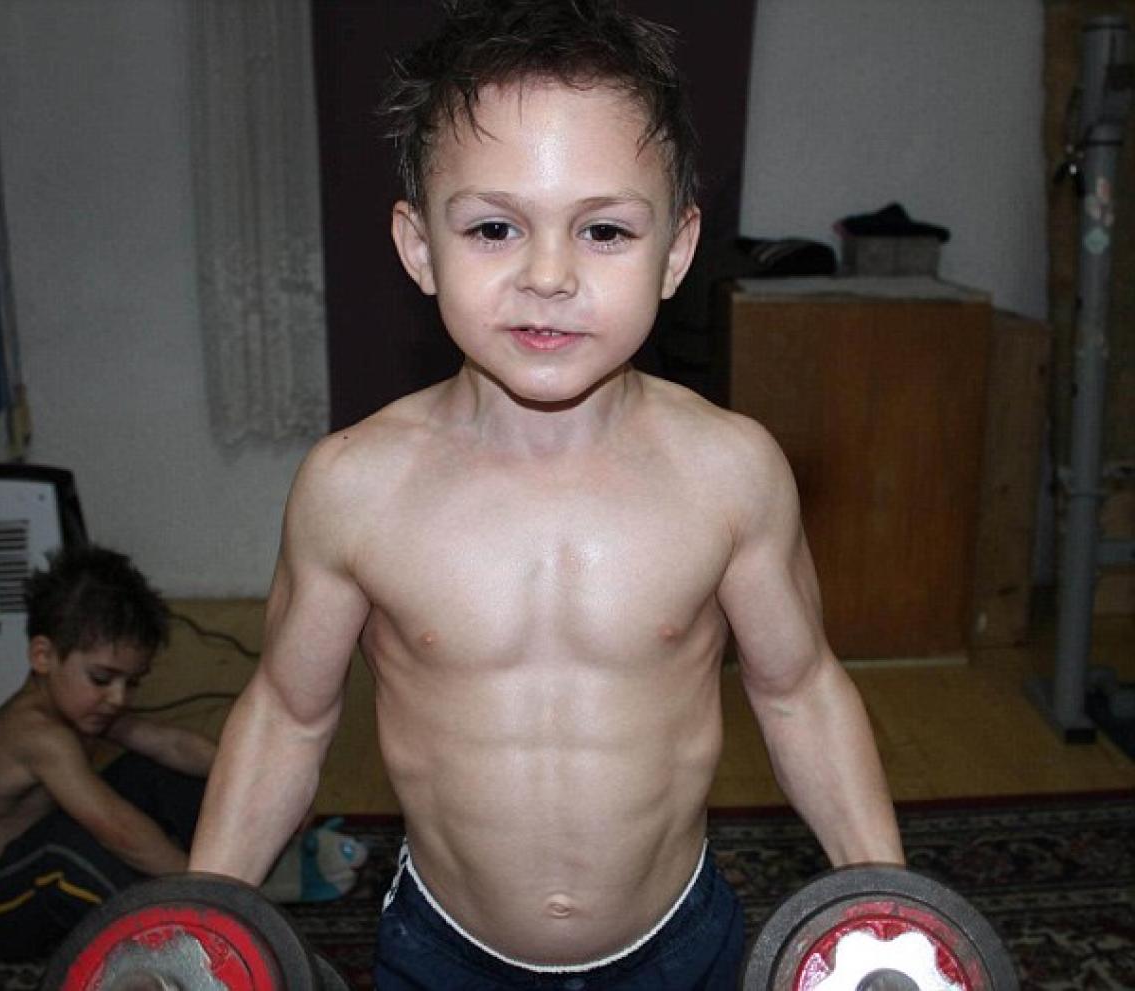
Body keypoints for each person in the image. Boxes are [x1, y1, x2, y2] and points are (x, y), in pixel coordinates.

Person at [190, 1, 905, 987]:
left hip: (678, 946)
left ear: (677, 251)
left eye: (604, 229)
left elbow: (801, 694)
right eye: (494, 227)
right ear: (419, 245)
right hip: (444, 952)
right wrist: (200, 921)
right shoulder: (354, 486)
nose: (549, 275)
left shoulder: (730, 471)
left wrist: (890, 909)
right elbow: (287, 716)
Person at [0, 545, 364, 962]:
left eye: (132, 683)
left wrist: (268, 788)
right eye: (102, 678)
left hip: (35, 873)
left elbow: (172, 745)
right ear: (43, 656)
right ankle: (180, 930)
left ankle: (245, 870)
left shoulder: (79, 710)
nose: (118, 698)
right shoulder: (35, 733)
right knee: (69, 852)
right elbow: (117, 828)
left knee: (153, 772)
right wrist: (203, 892)